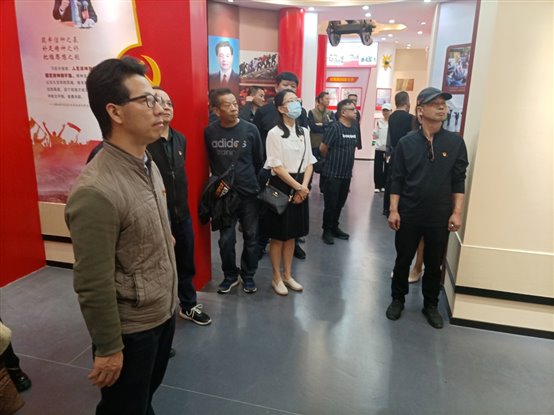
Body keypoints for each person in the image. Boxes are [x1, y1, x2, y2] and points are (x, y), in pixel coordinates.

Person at [64, 57, 178, 414]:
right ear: (114, 112)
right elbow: (92, 280)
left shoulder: (146, 161)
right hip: (133, 330)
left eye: (157, 97)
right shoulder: (96, 190)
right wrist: (109, 347)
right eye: (146, 100)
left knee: (143, 400)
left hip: (162, 310)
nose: (159, 108)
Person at [385, 87, 469, 329]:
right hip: (409, 213)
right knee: (403, 260)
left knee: (434, 264)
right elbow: (397, 179)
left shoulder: (455, 143)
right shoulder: (406, 143)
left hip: (439, 216)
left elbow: (458, 180)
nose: (442, 107)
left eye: (444, 103)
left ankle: (430, 304)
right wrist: (394, 209)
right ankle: (397, 299)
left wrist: (457, 212)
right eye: (435, 103)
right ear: (420, 110)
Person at [147, 86, 211, 326]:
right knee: (158, 268)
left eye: (169, 103)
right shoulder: (144, 142)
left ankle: (188, 305)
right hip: (156, 217)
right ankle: (158, 315)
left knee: (185, 262)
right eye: (158, 101)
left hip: (181, 214)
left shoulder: (180, 139)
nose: (165, 107)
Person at [204, 88, 264, 295]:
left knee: (251, 237)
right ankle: (230, 276)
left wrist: (253, 183)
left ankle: (248, 276)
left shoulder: (251, 130)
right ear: (216, 110)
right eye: (227, 105)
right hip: (224, 195)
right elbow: (210, 161)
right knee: (226, 240)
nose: (233, 108)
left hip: (249, 193)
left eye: (235, 104)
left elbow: (259, 160)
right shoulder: (209, 132)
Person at [262, 89, 316, 295]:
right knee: (278, 236)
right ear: (281, 108)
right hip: (282, 185)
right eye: (290, 101)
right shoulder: (274, 133)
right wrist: (298, 187)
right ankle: (276, 277)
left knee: (292, 234)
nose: (296, 104)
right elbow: (276, 166)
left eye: (296, 100)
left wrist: (304, 187)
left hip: (301, 185)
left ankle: (288, 274)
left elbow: (310, 162)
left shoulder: (304, 132)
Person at [253, 71, 309, 260]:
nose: (290, 88)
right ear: (276, 87)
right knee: (270, 211)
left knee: (293, 217)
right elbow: (257, 140)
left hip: (297, 173)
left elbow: (305, 148)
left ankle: (293, 244)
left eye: (294, 86)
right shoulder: (264, 112)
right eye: (286, 85)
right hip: (272, 171)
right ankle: (261, 244)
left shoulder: (301, 113)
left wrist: (303, 184)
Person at [319, 99, 361, 245]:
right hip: (332, 174)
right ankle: (327, 230)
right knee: (330, 205)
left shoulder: (354, 129)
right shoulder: (334, 128)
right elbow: (323, 148)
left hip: (346, 174)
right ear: (343, 112)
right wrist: (331, 161)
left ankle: (334, 227)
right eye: (352, 109)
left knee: (340, 204)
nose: (355, 112)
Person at [383, 91, 415, 216]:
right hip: (406, 152)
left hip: (394, 150)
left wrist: (388, 151)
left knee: (391, 179)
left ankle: (386, 207)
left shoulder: (392, 117)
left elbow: (389, 136)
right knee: (401, 179)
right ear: (407, 102)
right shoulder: (411, 118)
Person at [308, 91, 334, 174]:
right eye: (326, 99)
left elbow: (332, 126)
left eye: (329, 99)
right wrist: (326, 125)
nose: (328, 101)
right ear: (320, 100)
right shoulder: (311, 112)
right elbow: (313, 127)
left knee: (326, 166)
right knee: (312, 166)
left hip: (326, 143)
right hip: (314, 143)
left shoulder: (330, 113)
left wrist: (322, 124)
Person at [372, 103, 391, 193]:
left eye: (387, 110)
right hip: (379, 148)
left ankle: (384, 185)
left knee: (387, 167)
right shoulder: (379, 122)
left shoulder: (392, 122)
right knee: (378, 167)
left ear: (390, 111)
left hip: (388, 149)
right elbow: (376, 134)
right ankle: (377, 185)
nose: (385, 112)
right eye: (384, 110)